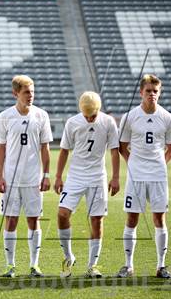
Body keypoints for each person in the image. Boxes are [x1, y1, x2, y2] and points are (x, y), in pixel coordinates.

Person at [116, 74, 171, 279]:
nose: (152, 94)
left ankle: (161, 266)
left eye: (155, 91)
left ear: (159, 93)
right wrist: (134, 165)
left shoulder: (168, 117)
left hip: (158, 176)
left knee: (159, 218)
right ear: (141, 92)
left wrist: (158, 166)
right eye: (148, 91)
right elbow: (122, 147)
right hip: (136, 175)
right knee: (132, 218)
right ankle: (128, 265)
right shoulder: (129, 116)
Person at [54, 91, 120, 278]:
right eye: (86, 115)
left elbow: (114, 151)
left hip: (97, 177)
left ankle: (92, 265)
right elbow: (64, 150)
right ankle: (68, 257)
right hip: (75, 176)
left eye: (92, 115)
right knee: (62, 213)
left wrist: (115, 177)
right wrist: (58, 176)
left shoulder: (108, 122)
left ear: (98, 110)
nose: (89, 118)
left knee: (96, 220)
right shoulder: (73, 122)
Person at [0, 75, 52, 277]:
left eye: (32, 91)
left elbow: (46, 148)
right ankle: (10, 266)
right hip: (10, 178)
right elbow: (1, 148)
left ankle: (34, 265)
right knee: (10, 221)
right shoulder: (5, 116)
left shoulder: (41, 115)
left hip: (33, 178)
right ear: (15, 93)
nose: (31, 96)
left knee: (33, 220)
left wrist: (46, 174)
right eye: (26, 92)